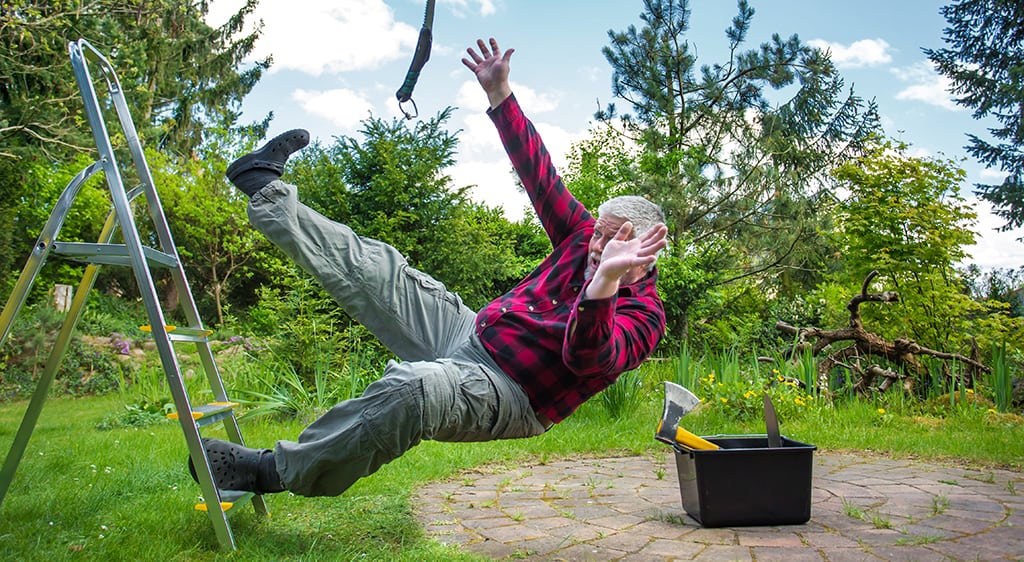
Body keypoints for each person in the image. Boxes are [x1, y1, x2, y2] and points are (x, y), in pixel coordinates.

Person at [190, 38, 669, 497]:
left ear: (646, 250)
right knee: (378, 269)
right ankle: (262, 185)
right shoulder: (581, 235)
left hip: (509, 394)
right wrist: (499, 92)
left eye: (614, 238)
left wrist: (604, 281)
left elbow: (589, 359)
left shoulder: (646, 316)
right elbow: (538, 173)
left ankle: (271, 470)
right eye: (599, 231)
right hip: (470, 333)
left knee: (416, 388)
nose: (597, 243)